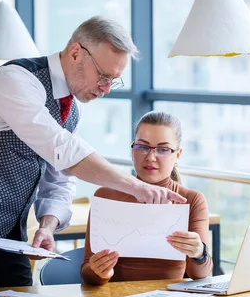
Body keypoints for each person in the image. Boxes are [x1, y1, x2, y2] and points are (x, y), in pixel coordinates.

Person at [0, 17, 186, 290]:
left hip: (8, 230)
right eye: (103, 76)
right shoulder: (14, 80)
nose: (106, 89)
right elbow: (62, 149)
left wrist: (47, 225)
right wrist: (135, 186)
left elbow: (59, 177)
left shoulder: (72, 110)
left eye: (114, 80)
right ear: (76, 53)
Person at [81, 111, 213, 286]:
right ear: (132, 149)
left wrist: (199, 253)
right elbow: (87, 272)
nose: (150, 157)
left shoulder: (191, 200)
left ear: (178, 155)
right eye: (142, 147)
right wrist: (100, 273)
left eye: (163, 149)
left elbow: (200, 275)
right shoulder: (106, 196)